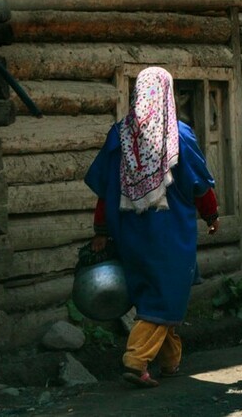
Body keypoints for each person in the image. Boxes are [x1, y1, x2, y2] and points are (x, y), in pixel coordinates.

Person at [85, 67, 220, 388]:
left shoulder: (118, 135)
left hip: (130, 233)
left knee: (156, 292)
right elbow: (199, 185)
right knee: (164, 296)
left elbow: (105, 190)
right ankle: (135, 360)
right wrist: (211, 216)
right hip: (168, 232)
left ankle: (171, 362)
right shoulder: (179, 135)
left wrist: (102, 231)